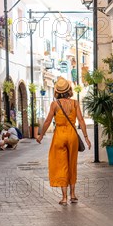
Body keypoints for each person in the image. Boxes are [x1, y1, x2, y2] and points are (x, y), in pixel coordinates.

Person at [36, 77, 91, 205]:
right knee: (72, 164)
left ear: (57, 91)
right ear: (69, 90)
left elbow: (48, 121)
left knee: (61, 165)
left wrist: (41, 135)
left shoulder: (55, 104)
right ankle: (73, 194)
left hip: (59, 135)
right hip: (72, 135)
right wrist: (86, 137)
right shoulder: (75, 103)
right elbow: (81, 121)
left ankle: (64, 197)